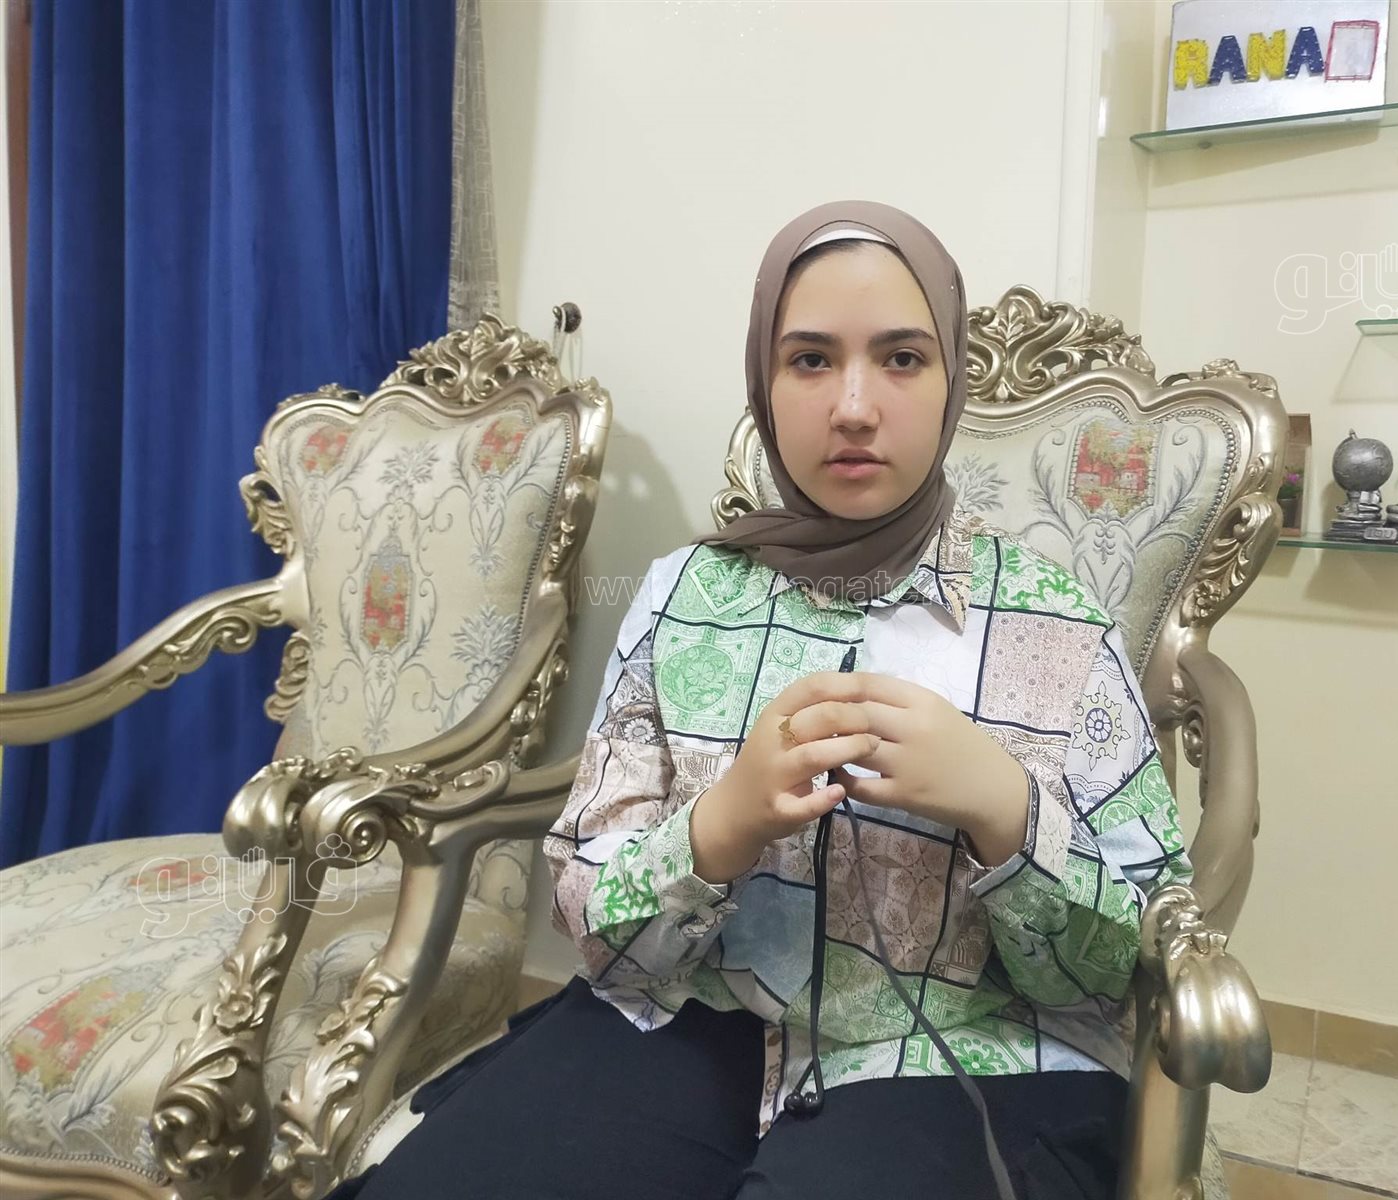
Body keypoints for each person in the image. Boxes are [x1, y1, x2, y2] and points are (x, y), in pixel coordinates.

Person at [329, 201, 1190, 1200]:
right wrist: (719, 828)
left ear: (952, 378)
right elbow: (594, 921)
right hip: (688, 1019)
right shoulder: (681, 595)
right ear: (763, 382)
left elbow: (1132, 963)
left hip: (969, 1056)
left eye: (902, 358)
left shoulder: (1056, 625)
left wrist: (1007, 810)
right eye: (811, 359)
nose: (854, 407)